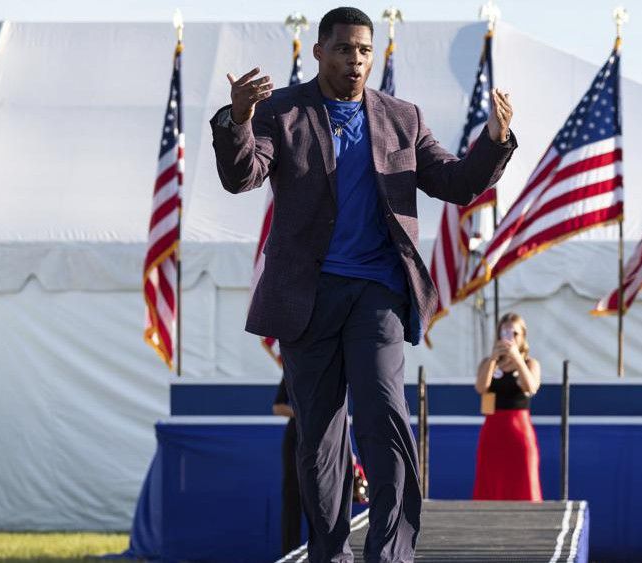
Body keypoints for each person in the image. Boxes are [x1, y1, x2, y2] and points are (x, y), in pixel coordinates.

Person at [210, 7, 517, 562]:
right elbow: (241, 175)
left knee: (384, 415)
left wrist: (495, 141)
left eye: (365, 51)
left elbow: (454, 181)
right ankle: (330, 552)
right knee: (319, 441)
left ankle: (390, 551)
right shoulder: (282, 111)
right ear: (319, 52)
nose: (356, 60)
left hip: (377, 293)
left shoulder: (402, 117)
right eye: (346, 49)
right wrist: (238, 119)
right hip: (307, 298)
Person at [472, 313, 543, 501]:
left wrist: (517, 359)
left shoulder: (530, 363)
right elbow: (481, 387)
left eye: (514, 333)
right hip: (493, 429)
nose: (509, 337)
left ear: (523, 337)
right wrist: (493, 359)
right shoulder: (488, 362)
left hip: (519, 430)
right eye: (504, 332)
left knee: (523, 481)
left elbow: (531, 387)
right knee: (490, 481)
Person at [272, 378, 303, 555]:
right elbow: (277, 407)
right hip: (296, 438)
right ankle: (290, 552)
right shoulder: (292, 371)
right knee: (292, 496)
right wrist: (302, 413)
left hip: (324, 435)